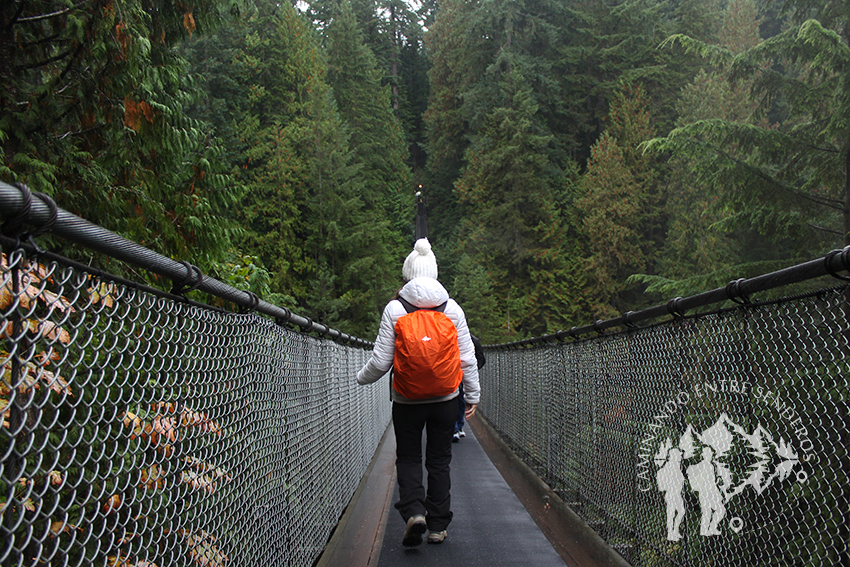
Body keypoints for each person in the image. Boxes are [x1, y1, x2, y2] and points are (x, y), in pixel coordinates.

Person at [356, 238, 481, 547]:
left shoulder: (395, 308)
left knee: (409, 456)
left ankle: (414, 512)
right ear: (434, 272)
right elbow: (467, 358)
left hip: (407, 399)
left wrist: (360, 378)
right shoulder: (452, 308)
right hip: (446, 398)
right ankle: (438, 526)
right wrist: (473, 394)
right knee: (439, 460)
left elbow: (382, 361)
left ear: (408, 272)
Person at [454, 335, 485, 441]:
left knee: (459, 399)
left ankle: (457, 426)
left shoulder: (473, 341)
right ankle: (456, 427)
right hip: (451, 373)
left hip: (462, 374)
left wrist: (470, 372)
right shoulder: (449, 336)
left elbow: (481, 359)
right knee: (455, 399)